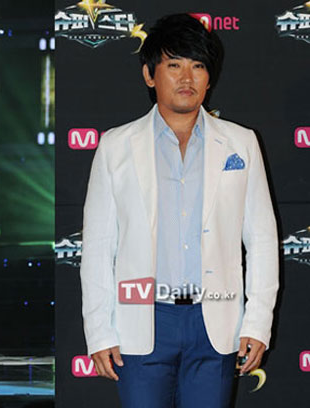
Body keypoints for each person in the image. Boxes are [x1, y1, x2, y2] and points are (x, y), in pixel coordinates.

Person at [80, 14, 278, 407]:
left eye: (198, 66)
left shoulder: (241, 143)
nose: (187, 78)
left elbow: (262, 240)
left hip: (215, 321)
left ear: (209, 77)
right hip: (142, 319)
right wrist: (99, 331)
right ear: (149, 75)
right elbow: (99, 247)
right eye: (174, 65)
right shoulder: (115, 146)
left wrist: (258, 322)